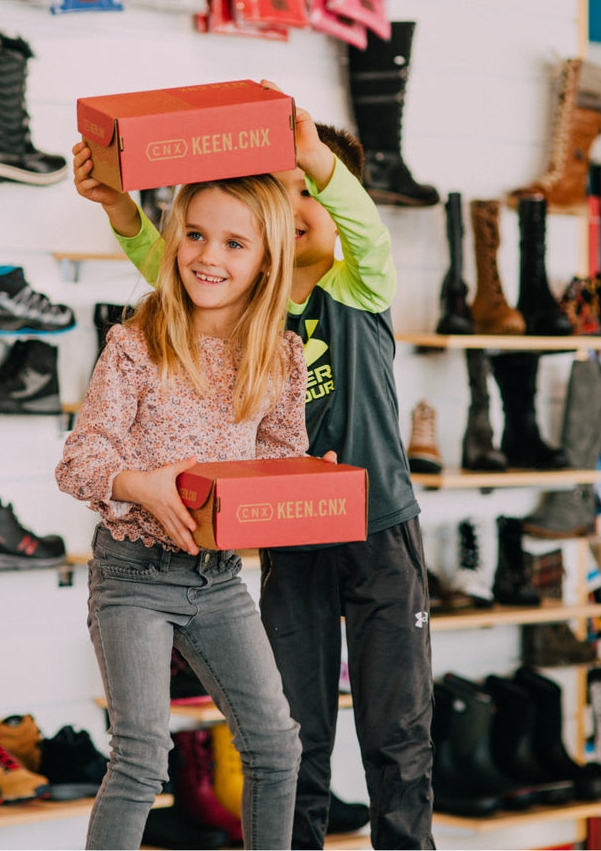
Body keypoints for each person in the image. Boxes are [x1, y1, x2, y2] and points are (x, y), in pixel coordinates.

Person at [72, 89, 435, 849]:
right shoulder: (240, 311)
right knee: (286, 733)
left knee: (394, 730)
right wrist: (122, 209)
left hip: (376, 528)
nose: (295, 201)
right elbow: (175, 260)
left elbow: (363, 236)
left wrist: (314, 158)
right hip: (274, 541)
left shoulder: (355, 290)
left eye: (310, 192)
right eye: (283, 190)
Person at [55, 172, 309, 850]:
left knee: (277, 747)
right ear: (173, 242)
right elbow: (78, 461)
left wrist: (304, 480)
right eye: (195, 235)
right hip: (133, 575)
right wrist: (140, 483)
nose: (209, 256)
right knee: (141, 755)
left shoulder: (279, 354)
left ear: (265, 259)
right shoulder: (137, 344)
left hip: (218, 580)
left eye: (233, 243)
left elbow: (282, 459)